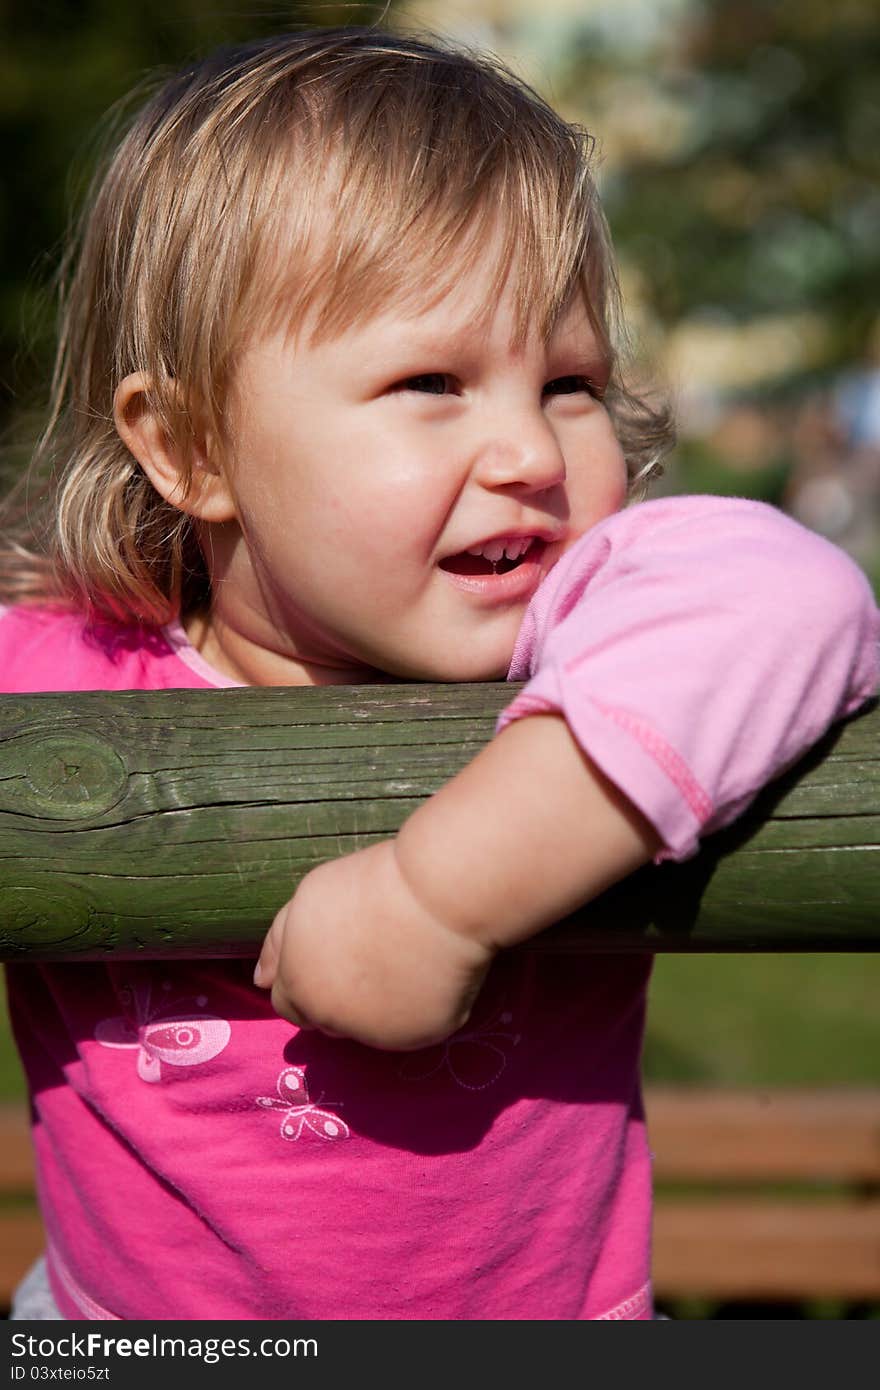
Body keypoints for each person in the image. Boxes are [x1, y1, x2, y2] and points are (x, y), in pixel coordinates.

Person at [0, 28, 876, 1323]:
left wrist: (436, 895)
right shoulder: (66, 668)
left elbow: (804, 594)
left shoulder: (580, 633)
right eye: (431, 381)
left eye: (570, 381)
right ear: (188, 445)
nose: (528, 447)